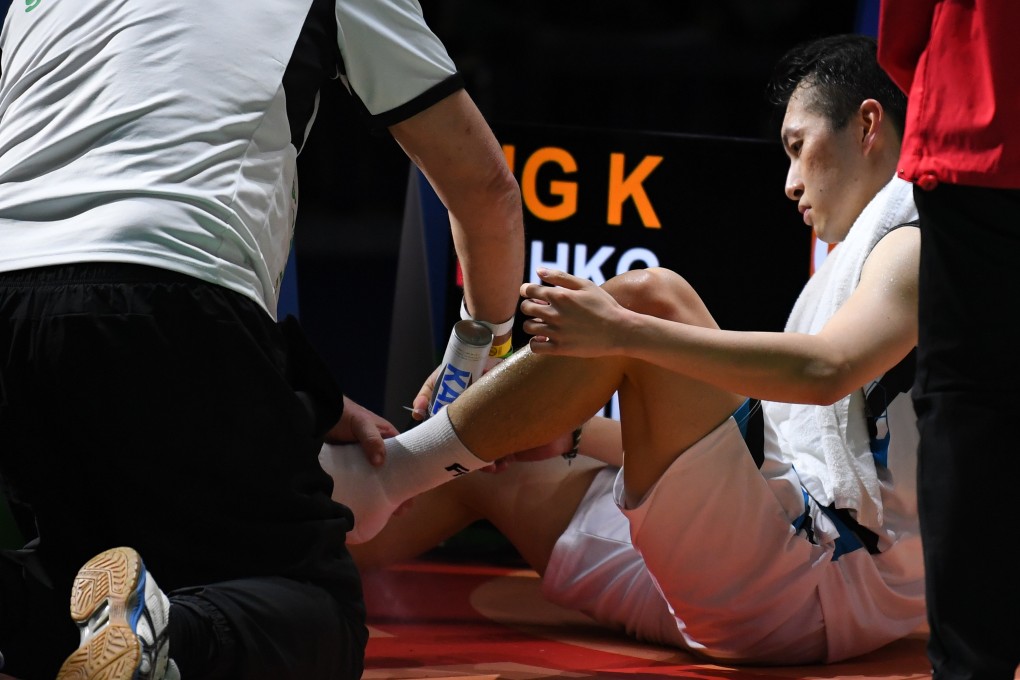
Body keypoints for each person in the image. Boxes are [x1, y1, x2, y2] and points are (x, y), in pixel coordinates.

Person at [320, 34, 926, 665]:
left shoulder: (913, 238)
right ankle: (280, 559)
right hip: (767, 581)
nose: (790, 183)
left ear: (867, 125)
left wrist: (623, 331)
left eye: (798, 147)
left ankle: (385, 475)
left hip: (816, 584)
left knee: (650, 297)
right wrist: (564, 432)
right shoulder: (853, 260)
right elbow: (778, 440)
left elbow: (826, 371)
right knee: (485, 461)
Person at [0, 0, 523, 677]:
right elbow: (485, 187)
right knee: (314, 609)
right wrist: (482, 352)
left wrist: (303, 395)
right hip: (170, 289)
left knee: (80, 578)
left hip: (13, 305)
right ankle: (173, 643)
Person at [875, 5, 1020, 679]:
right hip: (975, 131)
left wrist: (957, 88)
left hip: (981, 121)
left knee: (969, 406)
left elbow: (901, 39)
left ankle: (970, 668)